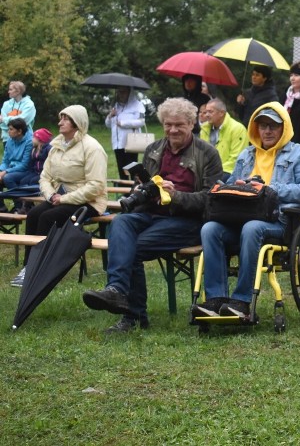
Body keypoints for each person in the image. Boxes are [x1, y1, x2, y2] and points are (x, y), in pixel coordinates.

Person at [82, 98, 223, 333]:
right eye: (168, 124)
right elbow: (144, 185)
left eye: (179, 124)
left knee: (132, 249)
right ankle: (116, 290)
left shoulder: (207, 153)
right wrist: (139, 191)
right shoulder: (154, 149)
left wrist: (176, 195)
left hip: (187, 221)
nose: (173, 130)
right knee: (120, 221)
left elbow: (211, 199)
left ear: (191, 124)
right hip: (150, 214)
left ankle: (134, 316)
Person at [193, 102, 300, 319]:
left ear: (284, 127)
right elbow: (231, 186)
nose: (267, 131)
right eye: (262, 126)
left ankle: (241, 301)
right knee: (210, 229)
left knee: (252, 229)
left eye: (273, 125)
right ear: (255, 128)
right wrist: (234, 187)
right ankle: (215, 300)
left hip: (280, 222)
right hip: (240, 219)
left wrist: (269, 190)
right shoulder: (246, 155)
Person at [11, 106, 108, 287]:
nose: (59, 122)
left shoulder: (92, 147)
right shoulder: (56, 146)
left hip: (89, 201)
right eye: (60, 118)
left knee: (48, 217)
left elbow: (96, 186)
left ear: (77, 122)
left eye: (65, 119)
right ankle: (28, 267)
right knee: (33, 215)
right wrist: (51, 194)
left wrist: (63, 199)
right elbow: (45, 177)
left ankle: (39, 269)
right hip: (59, 197)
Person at [199, 98, 248, 178]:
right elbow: (200, 155)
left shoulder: (238, 129)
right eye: (206, 112)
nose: (207, 115)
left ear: (221, 113)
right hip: (207, 172)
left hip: (229, 172)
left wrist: (214, 171)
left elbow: (236, 159)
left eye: (210, 112)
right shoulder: (204, 129)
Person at [105, 86, 146, 180]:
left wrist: (123, 123)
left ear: (130, 93)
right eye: (119, 92)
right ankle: (124, 192)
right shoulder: (116, 106)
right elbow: (108, 124)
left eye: (124, 92)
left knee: (132, 169)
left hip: (130, 142)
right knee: (121, 170)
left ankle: (133, 189)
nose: (121, 94)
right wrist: (110, 115)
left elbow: (141, 122)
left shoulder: (137, 105)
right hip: (117, 144)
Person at [0, 119, 33, 192]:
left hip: (25, 171)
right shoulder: (9, 140)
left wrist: (6, 172)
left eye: (11, 129)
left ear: (19, 131)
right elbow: (5, 161)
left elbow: (24, 165)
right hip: (11, 169)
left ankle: (19, 202)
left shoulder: (30, 142)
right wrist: (1, 170)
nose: (8, 131)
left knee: (7, 178)